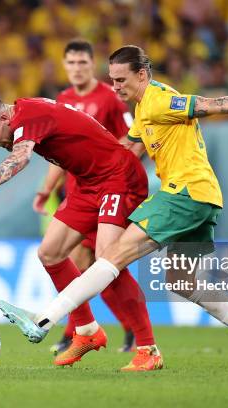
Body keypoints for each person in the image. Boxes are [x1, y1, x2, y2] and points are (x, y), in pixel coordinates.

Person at [0, 45, 228, 366]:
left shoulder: (159, 99)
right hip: (204, 199)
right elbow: (126, 149)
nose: (115, 87)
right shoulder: (144, 109)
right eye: (111, 80)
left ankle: (44, 319)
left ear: (141, 74)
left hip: (183, 194)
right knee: (181, 283)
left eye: (120, 79)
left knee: (111, 255)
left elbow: (210, 105)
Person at [0, 95, 161, 371]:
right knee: (50, 252)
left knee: (108, 261)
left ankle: (147, 348)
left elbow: (20, 158)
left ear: (3, 118)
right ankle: (86, 331)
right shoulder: (26, 115)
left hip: (117, 177)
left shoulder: (28, 116)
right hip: (87, 183)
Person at [33, 39, 143, 354]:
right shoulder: (63, 99)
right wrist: (46, 189)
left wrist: (117, 173)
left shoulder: (109, 98)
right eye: (71, 63)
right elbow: (59, 154)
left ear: (92, 65)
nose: (77, 68)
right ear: (64, 66)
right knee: (84, 265)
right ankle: (89, 331)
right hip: (78, 195)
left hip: (108, 191)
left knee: (101, 265)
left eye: (83, 62)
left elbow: (134, 138)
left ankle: (95, 331)